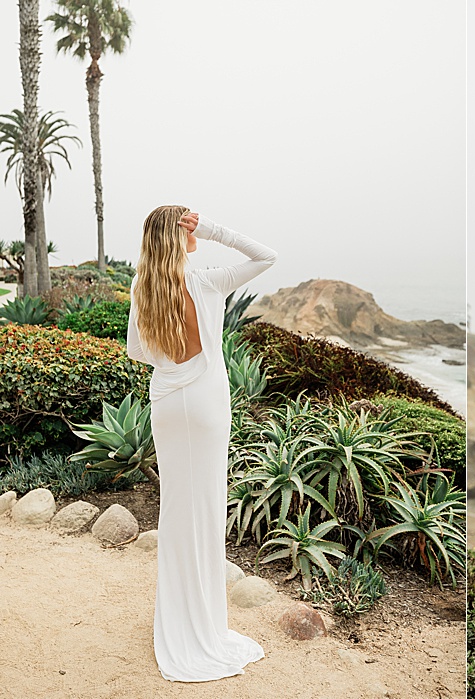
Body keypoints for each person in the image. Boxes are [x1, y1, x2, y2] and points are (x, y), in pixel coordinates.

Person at [126, 206, 277, 682]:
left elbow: (139, 352)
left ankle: (177, 622)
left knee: (175, 508)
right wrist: (214, 229)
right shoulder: (208, 283)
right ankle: (205, 627)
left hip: (169, 402)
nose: (197, 235)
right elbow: (266, 257)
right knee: (207, 509)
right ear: (181, 235)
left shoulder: (142, 287)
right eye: (190, 230)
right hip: (207, 407)